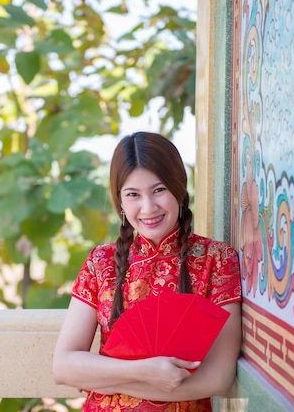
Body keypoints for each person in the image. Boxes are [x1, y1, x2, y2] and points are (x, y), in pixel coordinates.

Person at [53, 131, 242, 411]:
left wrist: (101, 379)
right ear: (120, 201)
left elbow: (218, 378)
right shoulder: (101, 262)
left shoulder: (218, 260)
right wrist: (146, 371)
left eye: (159, 190)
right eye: (133, 194)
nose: (148, 207)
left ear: (179, 188)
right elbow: (63, 366)